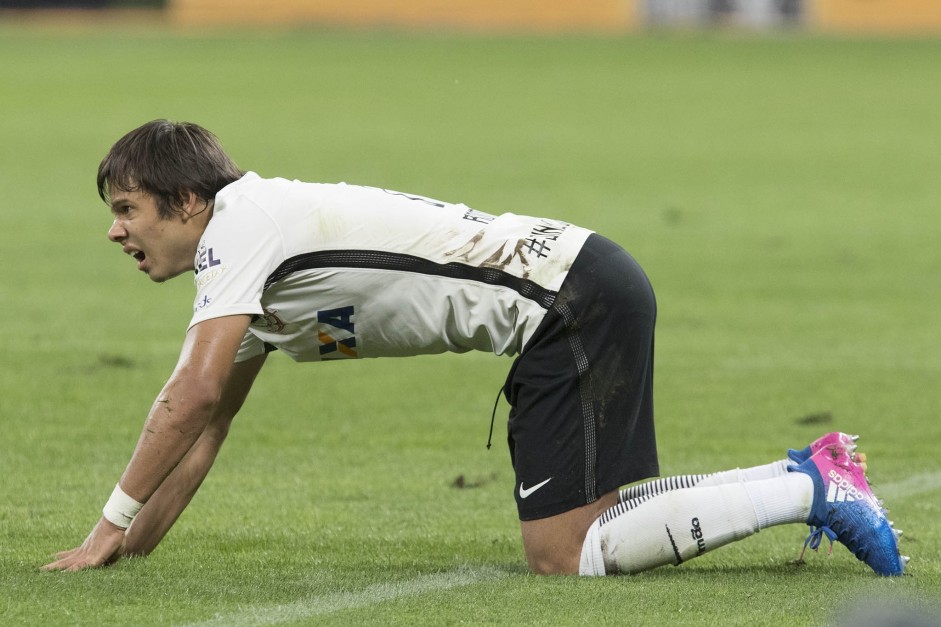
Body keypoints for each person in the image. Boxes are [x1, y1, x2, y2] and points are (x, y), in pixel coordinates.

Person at [43, 120, 906, 576]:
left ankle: (807, 487)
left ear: (189, 200)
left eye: (128, 209)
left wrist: (104, 526)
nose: (115, 231)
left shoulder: (239, 227)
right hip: (576, 289)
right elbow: (206, 428)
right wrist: (126, 544)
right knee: (586, 533)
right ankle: (812, 472)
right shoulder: (245, 267)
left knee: (563, 555)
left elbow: (187, 397)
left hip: (569, 302)